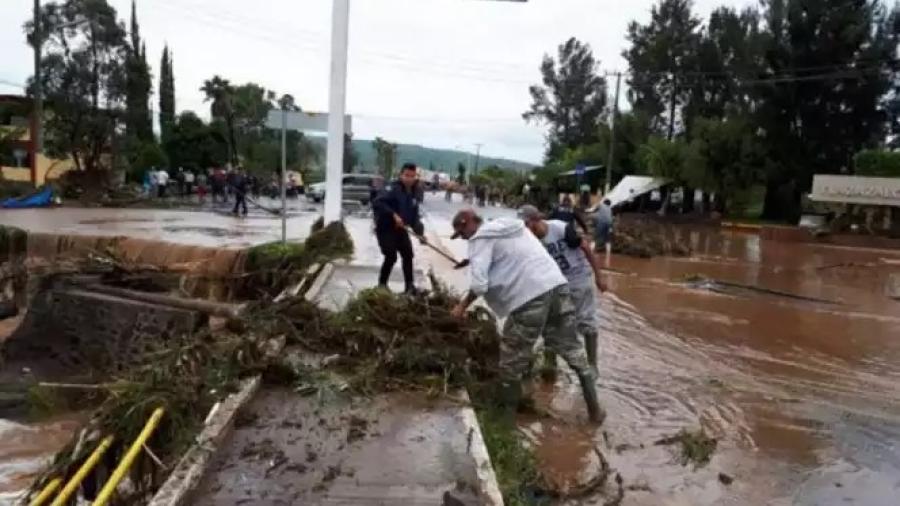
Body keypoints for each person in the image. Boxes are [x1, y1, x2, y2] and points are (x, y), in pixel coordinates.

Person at [449, 208, 605, 424]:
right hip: (557, 287)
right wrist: (473, 261)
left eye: (462, 233)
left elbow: (479, 284)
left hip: (528, 298)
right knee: (573, 350)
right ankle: (596, 413)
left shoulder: (478, 240)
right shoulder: (511, 227)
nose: (464, 238)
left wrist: (461, 306)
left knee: (510, 362)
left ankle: (505, 423)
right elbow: (510, 256)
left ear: (467, 223)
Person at [518, 205, 607, 377]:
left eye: (527, 225)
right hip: (555, 282)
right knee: (550, 322)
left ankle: (592, 365)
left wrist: (599, 276)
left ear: (536, 220)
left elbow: (586, 248)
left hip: (578, 278)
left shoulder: (559, 228)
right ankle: (550, 364)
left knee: (586, 322)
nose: (526, 230)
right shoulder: (530, 241)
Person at [372, 163, 426, 294]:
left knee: (408, 255)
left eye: (412, 176)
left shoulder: (414, 192)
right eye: (406, 175)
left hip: (401, 230)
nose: (409, 179)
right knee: (391, 256)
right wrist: (393, 215)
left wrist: (420, 234)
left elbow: (414, 217)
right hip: (385, 228)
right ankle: (382, 285)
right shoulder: (392, 188)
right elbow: (378, 202)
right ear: (401, 175)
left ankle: (409, 287)